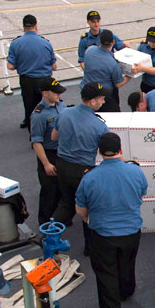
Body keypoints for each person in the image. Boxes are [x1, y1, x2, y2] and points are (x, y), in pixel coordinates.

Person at [75, 132, 147, 308]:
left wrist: (88, 219)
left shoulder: (89, 178)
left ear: (99, 152)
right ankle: (126, 291)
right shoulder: (136, 172)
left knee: (106, 273)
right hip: (131, 231)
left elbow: (81, 209)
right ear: (121, 150)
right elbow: (142, 194)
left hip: (103, 234)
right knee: (127, 263)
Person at [51, 82, 109, 255]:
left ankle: (48, 235)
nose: (104, 101)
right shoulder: (99, 125)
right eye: (101, 99)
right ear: (92, 102)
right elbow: (106, 152)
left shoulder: (64, 113)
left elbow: (54, 137)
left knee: (67, 202)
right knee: (89, 207)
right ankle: (90, 248)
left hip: (62, 165)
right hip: (82, 171)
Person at [7, 14, 57, 129]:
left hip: (27, 81)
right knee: (47, 106)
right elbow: (54, 66)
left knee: (29, 106)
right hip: (44, 81)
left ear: (24, 27)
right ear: (36, 26)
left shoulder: (16, 43)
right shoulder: (45, 42)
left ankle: (32, 130)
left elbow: (10, 66)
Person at [30, 78, 67, 224]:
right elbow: (36, 142)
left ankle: (60, 218)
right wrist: (46, 164)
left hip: (62, 152)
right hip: (49, 153)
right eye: (55, 92)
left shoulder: (61, 105)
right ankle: (45, 223)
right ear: (45, 93)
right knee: (49, 192)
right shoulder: (39, 115)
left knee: (62, 188)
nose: (58, 95)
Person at [81, 29, 128, 112]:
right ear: (113, 42)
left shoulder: (89, 51)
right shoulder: (113, 64)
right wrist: (129, 76)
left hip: (87, 93)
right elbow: (118, 84)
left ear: (99, 41)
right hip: (104, 98)